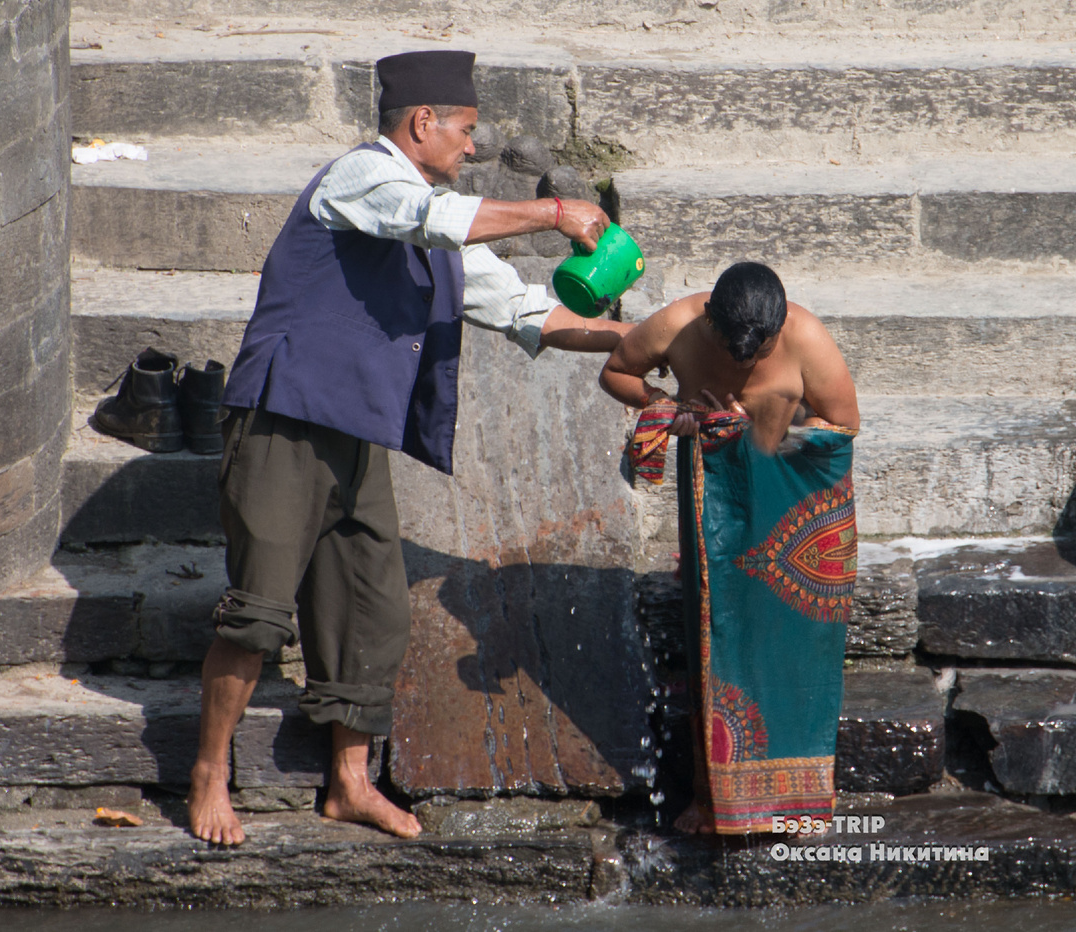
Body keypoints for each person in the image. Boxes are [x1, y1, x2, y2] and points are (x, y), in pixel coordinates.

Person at [188, 49, 632, 845]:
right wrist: (551, 214)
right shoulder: (360, 178)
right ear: (420, 123)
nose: (469, 147)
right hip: (284, 421)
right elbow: (427, 219)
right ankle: (209, 773)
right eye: (463, 131)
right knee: (257, 615)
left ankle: (349, 785)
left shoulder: (445, 222)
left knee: (374, 612)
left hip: (358, 436)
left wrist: (643, 338)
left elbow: (528, 312)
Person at [600, 262, 861, 834]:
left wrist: (758, 430)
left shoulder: (806, 337)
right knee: (714, 640)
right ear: (710, 320)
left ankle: (800, 798)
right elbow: (617, 370)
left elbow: (842, 428)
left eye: (758, 353)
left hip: (788, 512)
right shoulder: (677, 325)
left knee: (794, 647)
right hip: (716, 515)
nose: (746, 363)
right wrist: (668, 407)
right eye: (731, 348)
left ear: (777, 329)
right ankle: (711, 798)